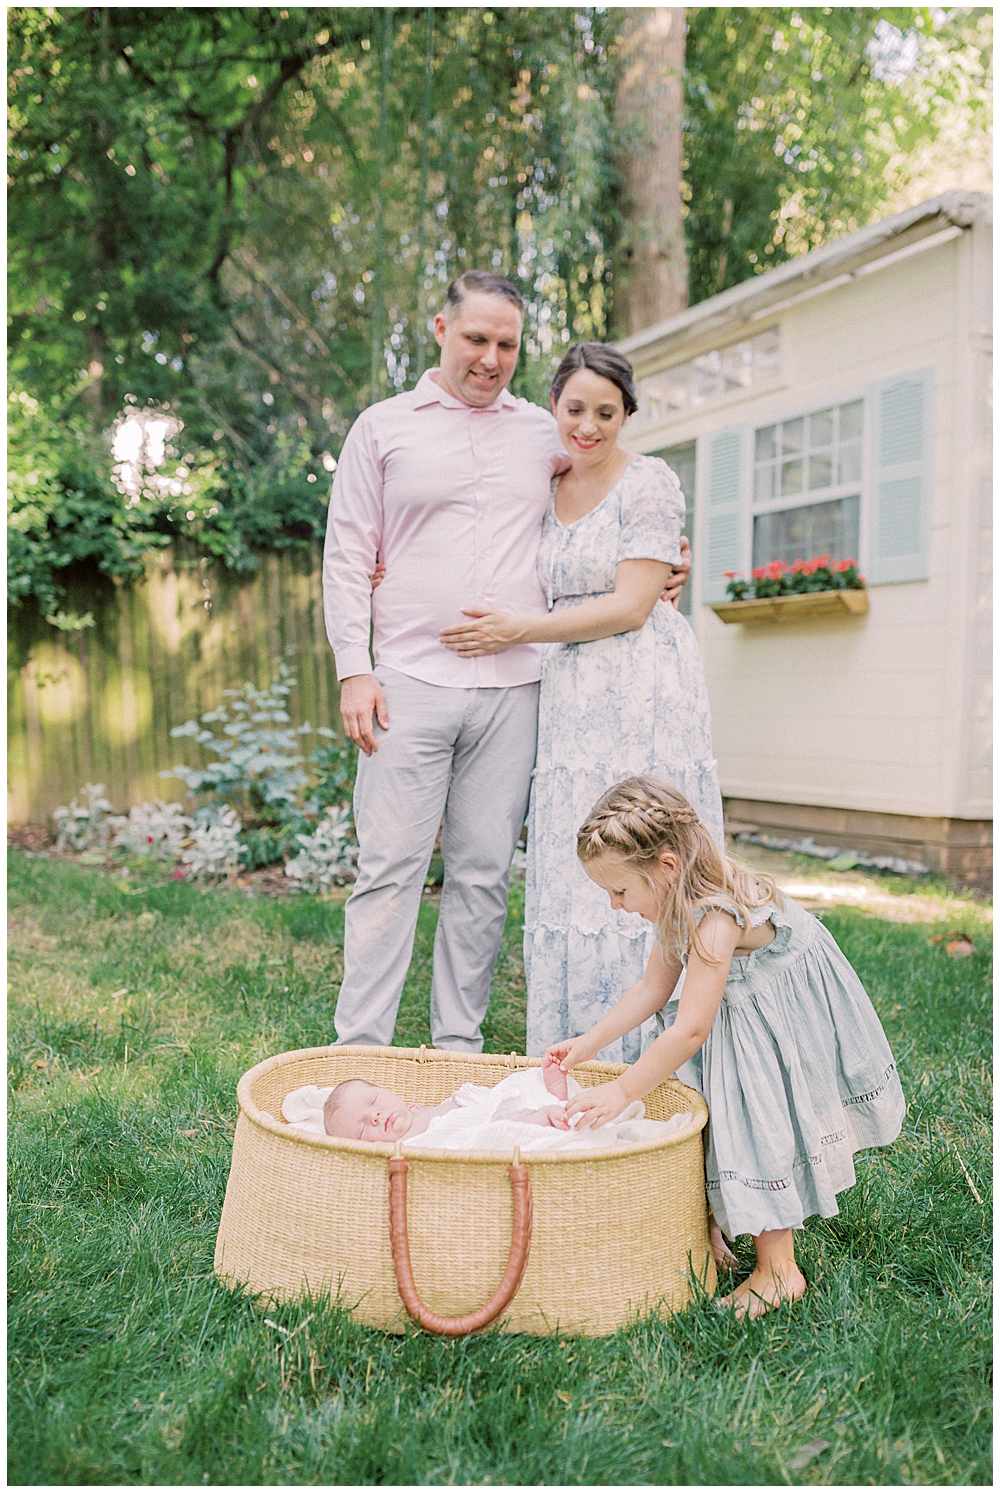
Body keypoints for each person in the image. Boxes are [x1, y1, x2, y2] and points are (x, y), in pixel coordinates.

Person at [323, 273, 691, 1052]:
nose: (490, 358)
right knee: (389, 871)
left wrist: (667, 562)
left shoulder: (543, 432)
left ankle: (457, 1046)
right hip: (407, 684)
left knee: (484, 877)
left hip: (517, 689)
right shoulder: (382, 429)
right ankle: (360, 1050)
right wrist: (354, 666)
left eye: (506, 345)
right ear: (441, 330)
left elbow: (609, 489)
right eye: (476, 339)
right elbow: (349, 552)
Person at [440, 342, 722, 1062]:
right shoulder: (546, 481)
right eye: (574, 409)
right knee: (580, 860)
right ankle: (573, 1054)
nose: (588, 425)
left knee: (640, 842)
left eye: (607, 411)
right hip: (569, 697)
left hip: (641, 688)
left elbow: (632, 605)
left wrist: (518, 630)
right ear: (553, 409)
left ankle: (656, 1055)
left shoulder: (649, 482)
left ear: (627, 412)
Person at [544, 776, 906, 1319]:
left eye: (620, 891)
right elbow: (652, 989)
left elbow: (691, 1030)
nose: (616, 906)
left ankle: (778, 1269)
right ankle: (711, 1230)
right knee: (700, 1106)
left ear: (665, 868)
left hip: (776, 1000)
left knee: (754, 1120)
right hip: (732, 1002)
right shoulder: (672, 899)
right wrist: (589, 1044)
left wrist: (621, 1089)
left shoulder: (716, 916)